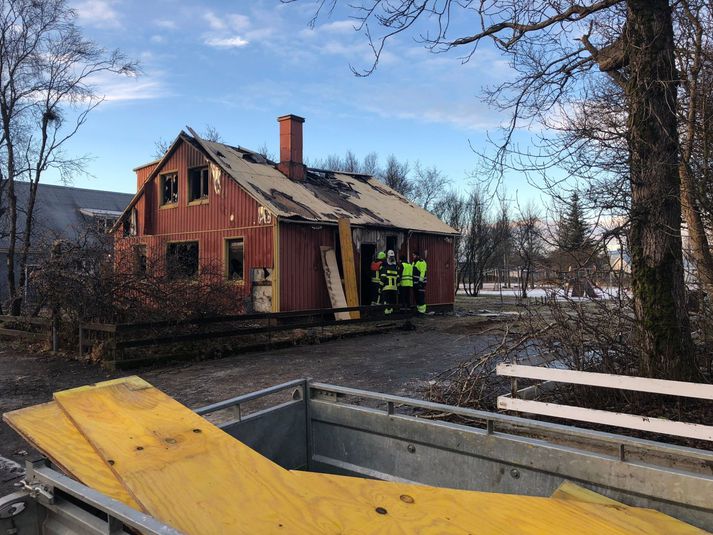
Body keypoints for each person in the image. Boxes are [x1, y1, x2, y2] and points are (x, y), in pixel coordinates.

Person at [379, 250, 399, 314]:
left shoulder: (385, 267)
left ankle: (386, 313)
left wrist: (380, 287)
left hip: (386, 288)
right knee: (392, 301)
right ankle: (391, 313)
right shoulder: (395, 267)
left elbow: (383, 278)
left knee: (386, 301)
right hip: (394, 288)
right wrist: (398, 287)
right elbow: (398, 278)